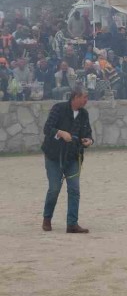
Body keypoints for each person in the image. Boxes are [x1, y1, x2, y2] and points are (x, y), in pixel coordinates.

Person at [40, 83, 93, 234]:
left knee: (74, 189)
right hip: (53, 156)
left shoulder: (84, 114)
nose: (86, 100)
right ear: (76, 97)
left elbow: (88, 133)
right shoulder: (58, 108)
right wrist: (60, 133)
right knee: (54, 189)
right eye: (85, 97)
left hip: (73, 157)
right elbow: (47, 128)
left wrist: (89, 140)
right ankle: (47, 218)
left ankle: (72, 224)